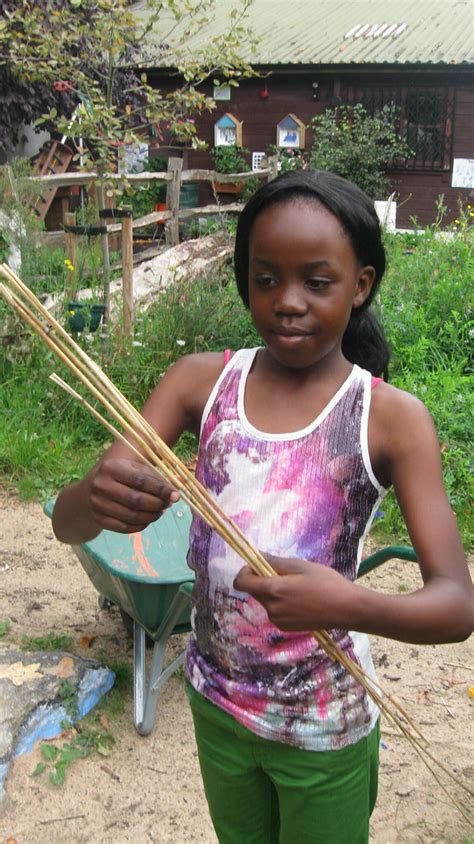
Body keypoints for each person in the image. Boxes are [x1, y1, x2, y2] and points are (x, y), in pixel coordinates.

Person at [52, 171, 473, 844]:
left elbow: (456, 605)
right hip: (217, 706)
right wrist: (92, 497)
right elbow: (66, 525)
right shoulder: (199, 382)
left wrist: (348, 605)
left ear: (360, 284)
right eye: (266, 278)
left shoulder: (390, 419)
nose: (288, 302)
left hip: (323, 727)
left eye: (317, 280)